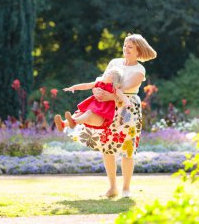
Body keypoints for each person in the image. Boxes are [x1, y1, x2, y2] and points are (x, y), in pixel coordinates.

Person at [63, 33, 157, 198]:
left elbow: (125, 88)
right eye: (125, 45)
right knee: (107, 146)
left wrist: (110, 96)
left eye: (130, 47)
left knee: (127, 150)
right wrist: (97, 90)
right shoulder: (114, 62)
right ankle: (112, 187)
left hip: (128, 109)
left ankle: (126, 188)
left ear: (138, 51)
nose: (125, 49)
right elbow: (103, 80)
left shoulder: (139, 70)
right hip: (108, 107)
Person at [53, 67, 132, 131]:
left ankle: (74, 122)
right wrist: (74, 87)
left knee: (88, 113)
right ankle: (63, 124)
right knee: (79, 113)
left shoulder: (114, 89)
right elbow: (85, 85)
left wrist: (127, 102)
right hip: (92, 111)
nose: (106, 74)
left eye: (109, 74)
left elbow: (122, 96)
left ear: (114, 79)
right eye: (107, 73)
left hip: (101, 116)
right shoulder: (98, 84)